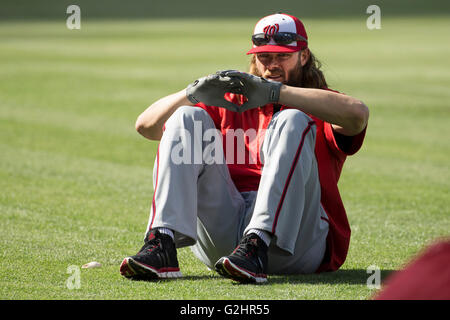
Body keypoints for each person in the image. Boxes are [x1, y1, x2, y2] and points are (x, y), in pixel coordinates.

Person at [119, 12, 369, 283]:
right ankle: (161, 242)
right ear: (254, 58)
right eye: (265, 56)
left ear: (304, 56)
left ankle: (258, 242)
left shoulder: (320, 103)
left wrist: (277, 93)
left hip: (297, 243)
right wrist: (190, 94)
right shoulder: (231, 101)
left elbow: (358, 115)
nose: (272, 64)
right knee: (184, 117)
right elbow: (146, 126)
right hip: (225, 243)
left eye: (282, 56)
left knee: (292, 118)